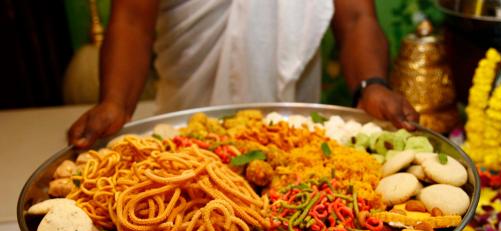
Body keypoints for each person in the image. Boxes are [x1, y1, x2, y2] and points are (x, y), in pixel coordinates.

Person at [68, 0, 418, 149]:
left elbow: (357, 18)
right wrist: (114, 102)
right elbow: (132, 21)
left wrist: (372, 85)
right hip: (188, 132)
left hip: (297, 133)